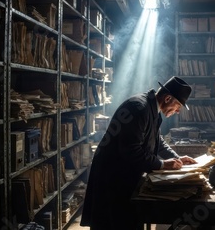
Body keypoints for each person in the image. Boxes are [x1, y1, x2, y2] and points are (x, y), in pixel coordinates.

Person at [80, 76, 197, 230]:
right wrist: (162, 164)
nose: (176, 112)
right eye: (177, 107)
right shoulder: (138, 108)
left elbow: (157, 140)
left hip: (124, 173)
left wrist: (176, 158)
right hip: (112, 176)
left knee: (127, 220)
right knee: (113, 222)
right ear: (168, 98)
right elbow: (131, 151)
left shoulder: (151, 108)